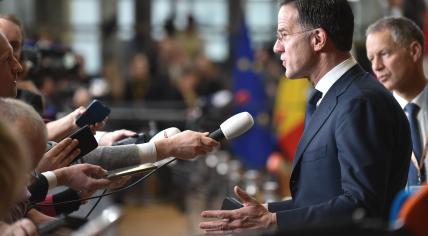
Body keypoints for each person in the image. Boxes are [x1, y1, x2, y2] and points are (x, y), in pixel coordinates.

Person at [200, 0, 411, 232]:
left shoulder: (360, 102)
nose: (276, 47)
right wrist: (267, 211)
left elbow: (360, 205)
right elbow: (320, 198)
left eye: (284, 35)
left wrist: (273, 220)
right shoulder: (325, 98)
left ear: (318, 39)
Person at [366, 16, 428, 186]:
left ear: (414, 51)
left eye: (384, 54)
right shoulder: (373, 118)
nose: (376, 66)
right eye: (371, 58)